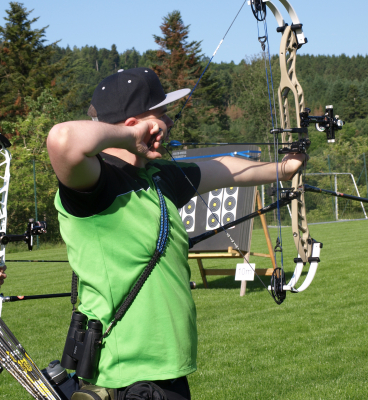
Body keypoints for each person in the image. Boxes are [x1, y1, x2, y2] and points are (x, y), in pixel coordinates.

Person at [47, 68, 305, 400]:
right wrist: (130, 135)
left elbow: (225, 168)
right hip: (125, 374)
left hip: (164, 370)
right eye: (162, 114)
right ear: (133, 124)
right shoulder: (96, 183)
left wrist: (285, 169)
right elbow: (62, 139)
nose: (169, 122)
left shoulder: (158, 176)